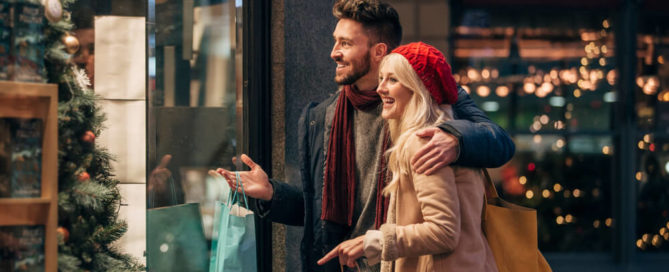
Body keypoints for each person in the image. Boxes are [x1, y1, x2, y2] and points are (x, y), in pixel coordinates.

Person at [216, 1, 514, 271]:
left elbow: (499, 141)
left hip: (406, 263)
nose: (334, 52)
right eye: (335, 41)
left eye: (345, 43)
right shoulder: (319, 118)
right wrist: (272, 193)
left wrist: (454, 138)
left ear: (379, 51)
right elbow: (321, 213)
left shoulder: (430, 102)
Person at [318, 42, 497, 271]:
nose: (380, 88)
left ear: (418, 89)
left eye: (393, 80)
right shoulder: (447, 136)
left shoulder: (423, 141)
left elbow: (443, 232)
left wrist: (372, 241)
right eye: (381, 78)